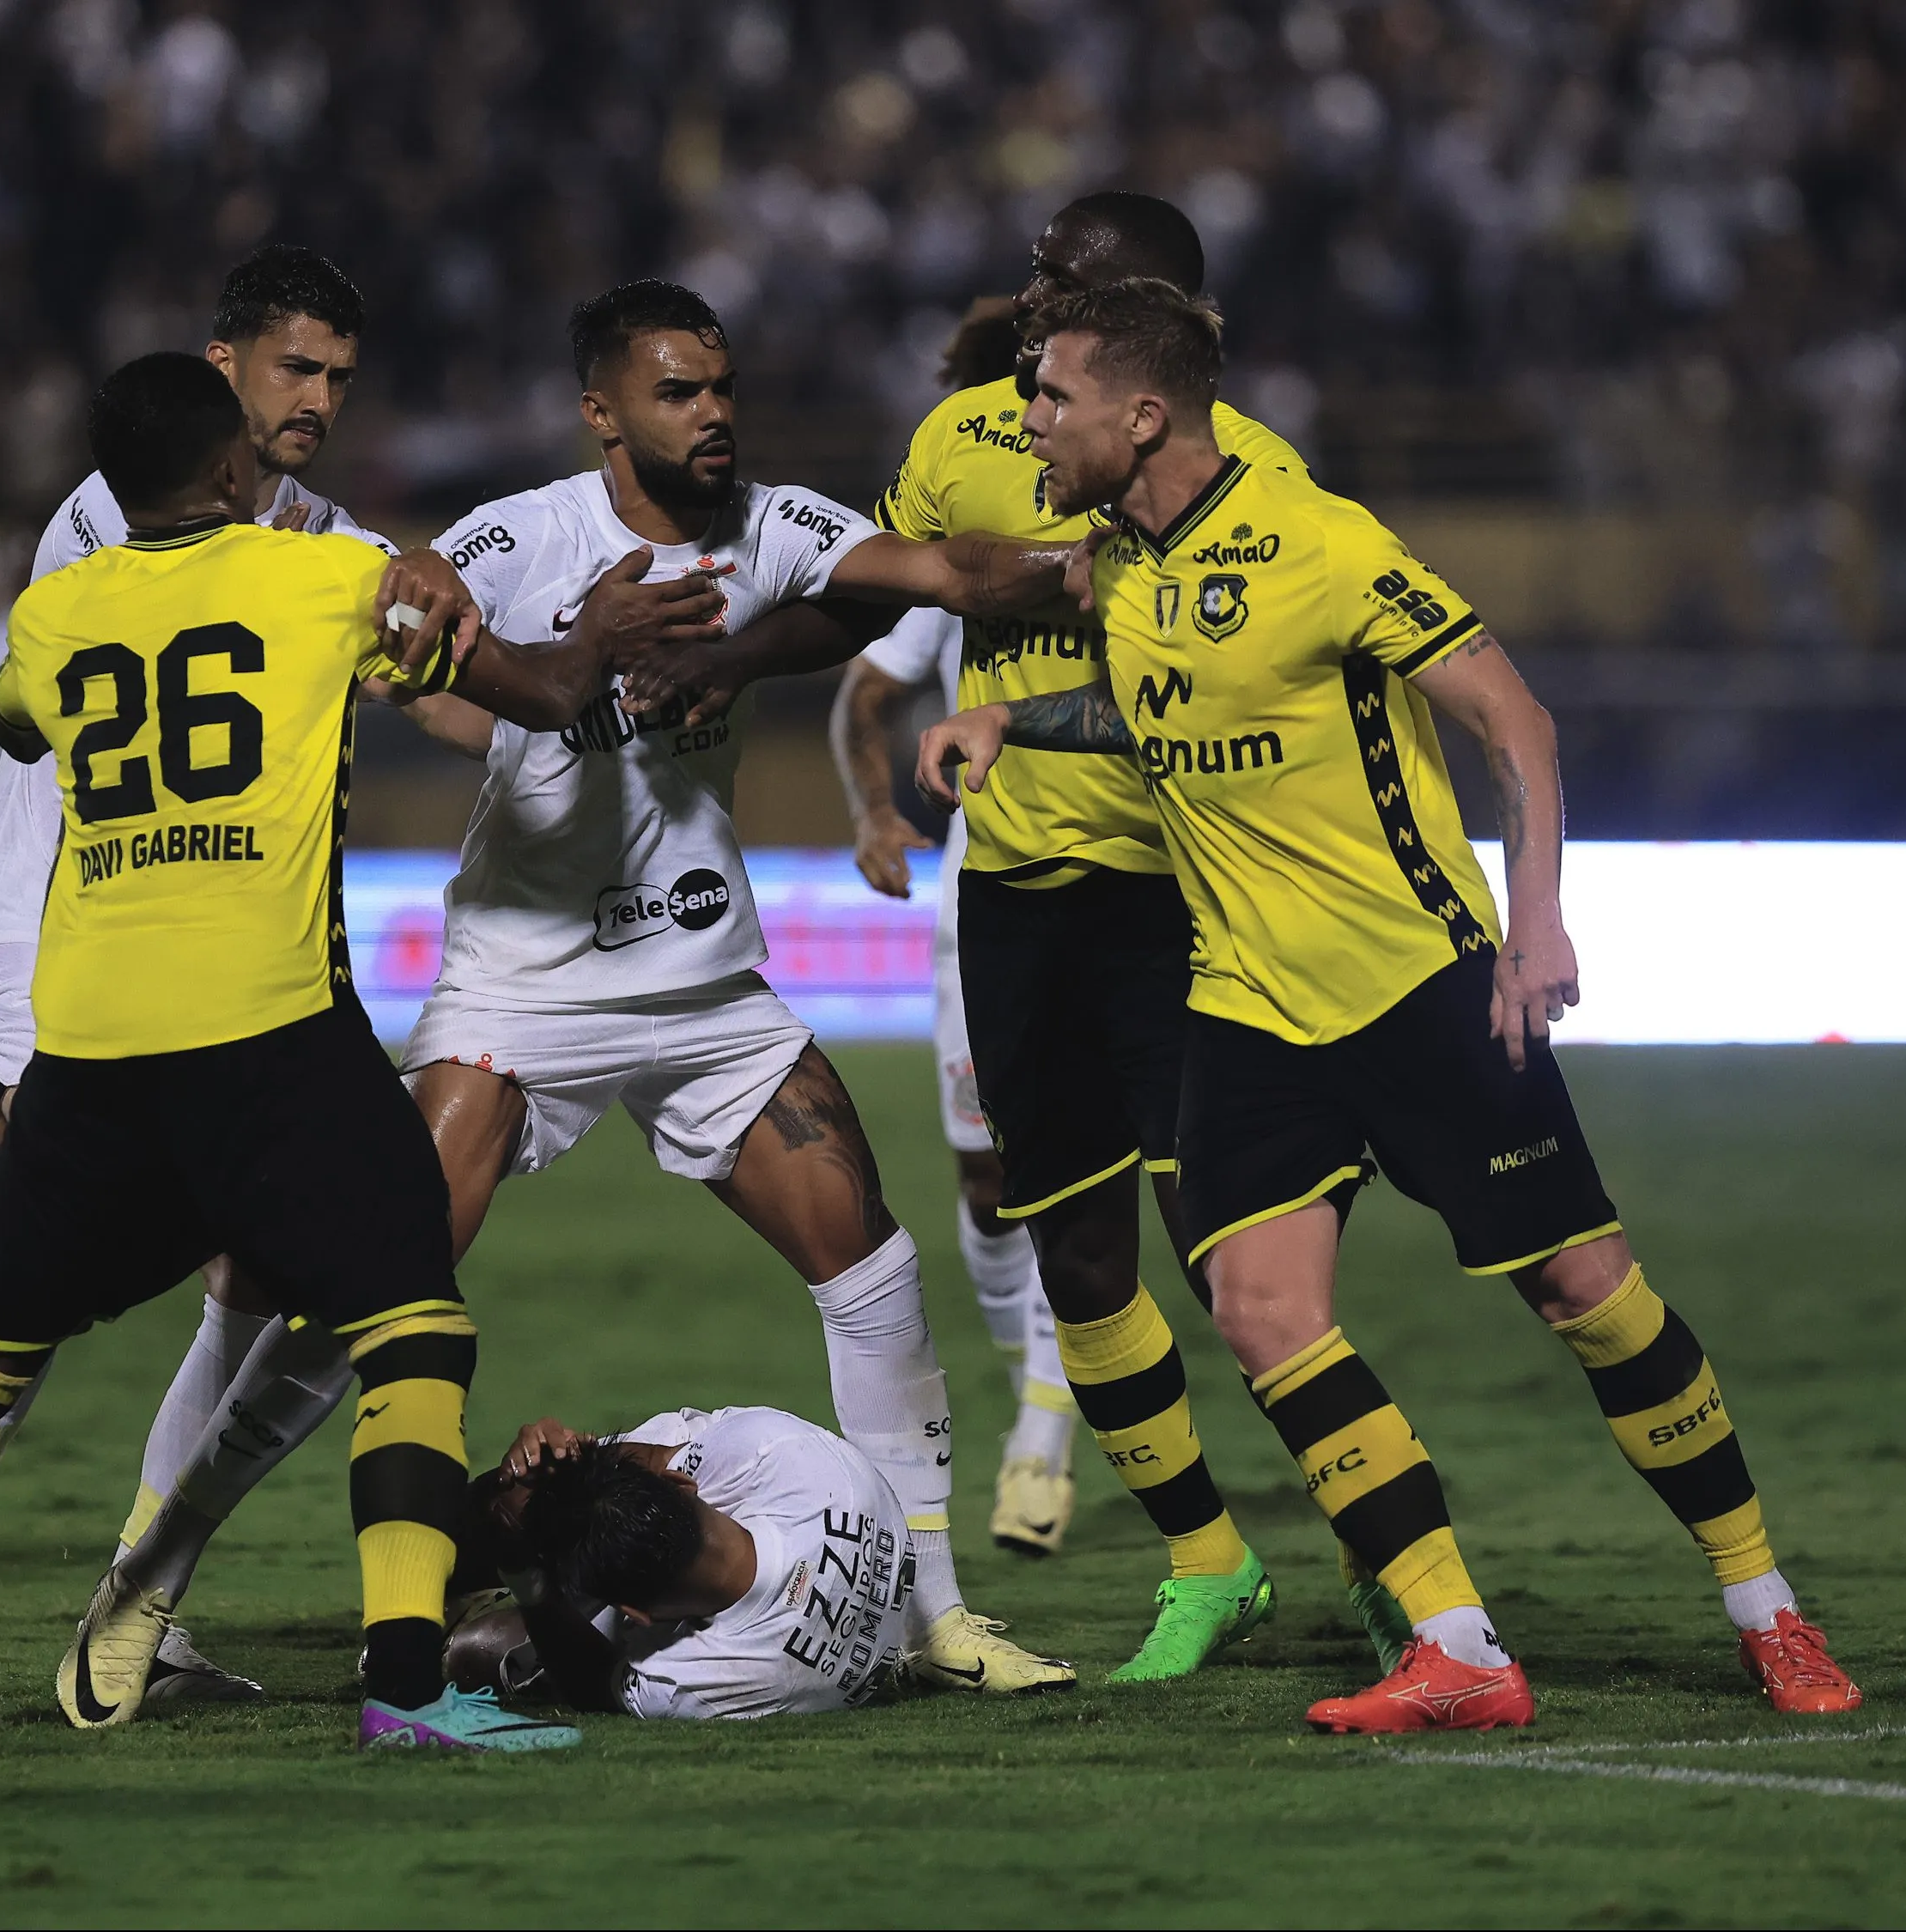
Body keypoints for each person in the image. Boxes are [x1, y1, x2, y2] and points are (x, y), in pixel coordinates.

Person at [68, 281, 1096, 1723]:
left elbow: (935, 574)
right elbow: (425, 585)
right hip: (522, 981)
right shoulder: (533, 531)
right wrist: (440, 615)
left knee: (874, 1274)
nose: (716, 413)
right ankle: (144, 1588)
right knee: (353, 1302)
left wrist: (1085, 568)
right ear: (604, 413)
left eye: (724, 386)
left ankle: (934, 1616)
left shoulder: (778, 524)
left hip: (699, 980)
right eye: (679, 393)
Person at [0, 350, 621, 1753]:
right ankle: (407, 1692)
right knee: (412, 1331)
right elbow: (526, 691)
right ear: (232, 473)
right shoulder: (319, 582)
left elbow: (23, 718)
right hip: (273, 1040)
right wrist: (599, 633)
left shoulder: (54, 610)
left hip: (90, 1051)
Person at [919, 276, 1864, 1732]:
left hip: (1416, 984)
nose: (1026, 418)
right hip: (1244, 1006)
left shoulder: (1323, 539)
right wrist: (1012, 716)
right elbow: (1159, 713)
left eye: (1050, 396)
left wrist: (1532, 921)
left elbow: (1517, 719)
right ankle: (1460, 1649)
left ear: (1144, 411)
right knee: (1260, 1310)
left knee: (1586, 1296)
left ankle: (1766, 1608)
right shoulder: (1119, 562)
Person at [615, 194, 1312, 1687]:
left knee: (1240, 1263)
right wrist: (733, 656)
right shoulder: (961, 440)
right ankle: (1208, 1562)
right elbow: (870, 607)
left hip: (1190, 886)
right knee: (1070, 1246)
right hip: (1014, 900)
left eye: (1063, 280)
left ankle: (1392, 1556)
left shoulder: (1246, 476)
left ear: (1150, 321)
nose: (1028, 294)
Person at [0, 246, 489, 1699]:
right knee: (32, 1279)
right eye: (293, 368)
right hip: (48, 931)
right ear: (221, 370)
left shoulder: (319, 534)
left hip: (193, 951)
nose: (319, 399)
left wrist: (565, 688)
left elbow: (448, 697)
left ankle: (139, 1605)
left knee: (259, 1271)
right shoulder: (118, 508)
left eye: (339, 374)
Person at [829, 301, 1080, 1559]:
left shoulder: (1132, 537)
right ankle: (1053, 1377)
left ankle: (1045, 1429)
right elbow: (865, 687)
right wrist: (877, 812)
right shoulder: (963, 559)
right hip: (983, 888)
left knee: (1091, 1171)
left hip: (1126, 878)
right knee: (988, 1181)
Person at [445, 1411, 914, 1721]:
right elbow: (653, 1456)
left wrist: (524, 1575)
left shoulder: (686, 1679)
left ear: (637, 1615)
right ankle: (441, 1569)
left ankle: (427, 1588)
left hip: (706, 1616)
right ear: (683, 1484)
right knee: (526, 1497)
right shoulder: (790, 1457)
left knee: (470, 1654)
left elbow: (591, 1682)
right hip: (732, 1582)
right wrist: (576, 1456)